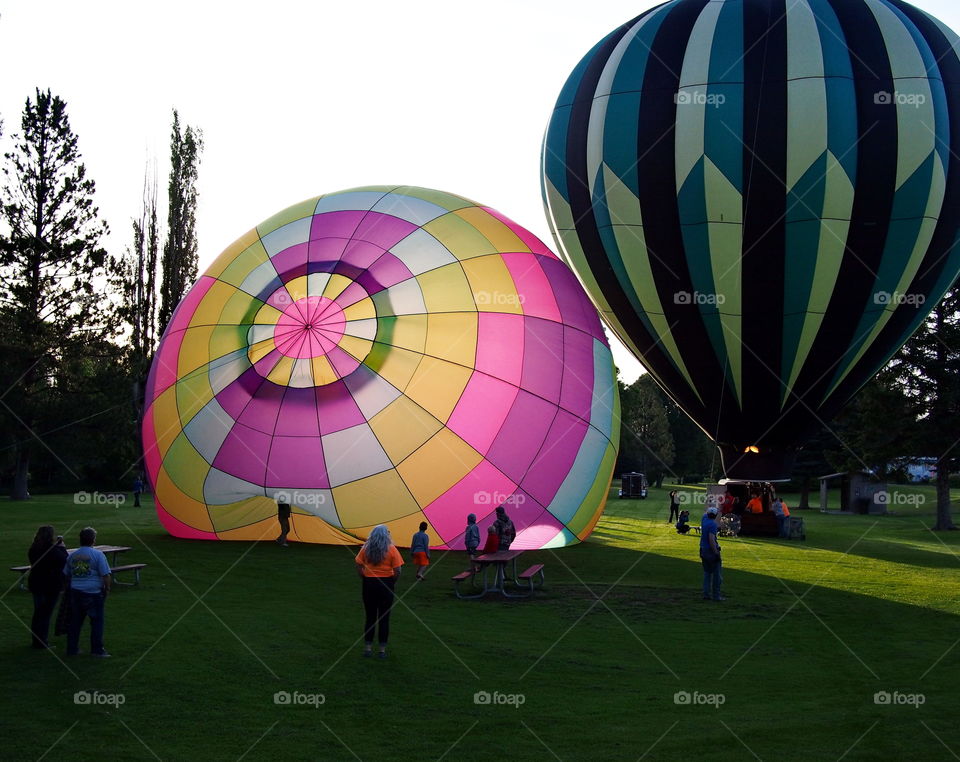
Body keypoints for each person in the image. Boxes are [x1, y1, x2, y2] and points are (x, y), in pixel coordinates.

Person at [355, 525, 403, 659]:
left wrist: (363, 576)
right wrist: (393, 581)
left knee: (370, 617)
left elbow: (358, 563)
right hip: (386, 584)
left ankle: (368, 648)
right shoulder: (392, 549)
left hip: (369, 584)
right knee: (384, 618)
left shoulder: (366, 548)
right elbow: (398, 570)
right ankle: (382, 650)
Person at [64, 527, 112, 657]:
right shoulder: (98, 555)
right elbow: (106, 574)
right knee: (97, 622)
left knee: (75, 622)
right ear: (93, 540)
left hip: (76, 591)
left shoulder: (73, 555)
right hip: (93, 592)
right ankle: (97, 650)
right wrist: (107, 589)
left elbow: (67, 573)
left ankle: (72, 648)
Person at [27, 526, 68, 649]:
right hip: (50, 585)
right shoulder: (53, 550)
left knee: (38, 612)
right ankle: (42, 641)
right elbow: (64, 560)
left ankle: (36, 640)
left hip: (36, 583)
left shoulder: (34, 548)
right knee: (45, 614)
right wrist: (62, 547)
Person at [699, 506, 723, 601]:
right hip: (710, 551)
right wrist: (716, 552)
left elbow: (705, 514)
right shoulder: (713, 525)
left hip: (703, 549)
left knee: (707, 573)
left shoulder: (704, 520)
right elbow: (711, 540)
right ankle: (716, 596)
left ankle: (706, 594)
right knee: (717, 575)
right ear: (716, 515)